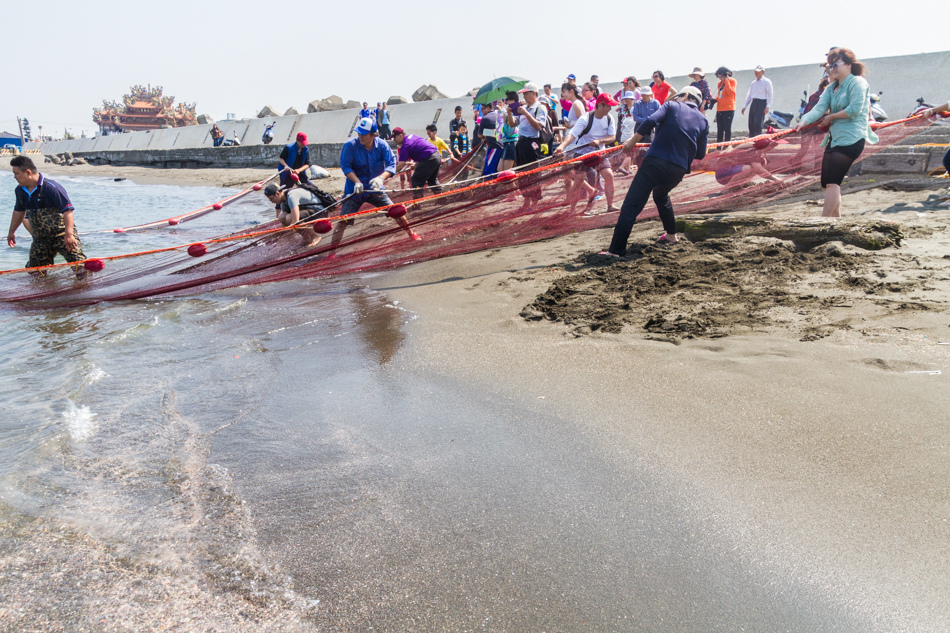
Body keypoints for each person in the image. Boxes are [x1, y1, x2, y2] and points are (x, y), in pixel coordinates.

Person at [603, 86, 709, 255]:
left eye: (678, 96)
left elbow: (650, 121)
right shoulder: (703, 121)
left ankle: (615, 250)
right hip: (678, 171)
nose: (675, 99)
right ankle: (672, 235)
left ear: (686, 96)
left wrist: (633, 140)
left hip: (655, 163)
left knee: (631, 206)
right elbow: (700, 154)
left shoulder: (672, 106)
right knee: (661, 194)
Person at [795, 48, 878, 218]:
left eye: (835, 64)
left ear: (848, 64)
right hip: (834, 139)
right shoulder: (831, 87)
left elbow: (854, 110)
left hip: (852, 138)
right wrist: (804, 120)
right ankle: (837, 221)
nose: (832, 68)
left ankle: (824, 222)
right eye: (830, 65)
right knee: (827, 185)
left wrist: (832, 116)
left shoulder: (858, 83)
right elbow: (819, 108)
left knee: (833, 183)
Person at [336, 117, 419, 246]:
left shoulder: (382, 145)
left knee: (396, 212)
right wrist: (357, 182)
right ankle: (331, 252)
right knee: (343, 222)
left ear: (373, 135)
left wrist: (381, 177)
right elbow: (346, 166)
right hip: (355, 190)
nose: (360, 137)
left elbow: (392, 164)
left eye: (364, 134)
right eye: (359, 133)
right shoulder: (350, 146)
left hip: (375, 189)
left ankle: (412, 234)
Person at [8, 155, 86, 269]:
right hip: (40, 239)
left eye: (16, 173)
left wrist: (69, 235)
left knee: (80, 266)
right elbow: (19, 212)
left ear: (28, 172)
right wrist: (11, 232)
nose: (15, 177)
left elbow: (68, 210)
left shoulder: (51, 187)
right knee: (35, 272)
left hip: (62, 235)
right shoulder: (20, 190)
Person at [554, 93, 620, 214]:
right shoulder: (585, 118)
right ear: (600, 105)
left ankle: (610, 205)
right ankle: (572, 210)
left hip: (599, 153)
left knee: (609, 175)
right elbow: (572, 135)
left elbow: (612, 137)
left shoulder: (609, 118)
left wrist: (600, 141)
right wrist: (561, 146)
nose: (610, 108)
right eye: (608, 106)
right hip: (582, 153)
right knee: (579, 180)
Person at [505, 82, 548, 206]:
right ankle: (526, 201)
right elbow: (513, 124)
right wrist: (509, 113)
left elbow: (539, 126)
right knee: (522, 173)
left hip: (532, 142)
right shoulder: (525, 107)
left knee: (533, 173)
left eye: (526, 93)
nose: (523, 96)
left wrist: (526, 113)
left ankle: (534, 201)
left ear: (533, 93)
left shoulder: (540, 107)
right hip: (522, 142)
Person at [262, 183, 326, 247]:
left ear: (277, 193)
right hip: (309, 212)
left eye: (271, 199)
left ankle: (314, 237)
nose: (271, 201)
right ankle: (306, 237)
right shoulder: (283, 200)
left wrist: (287, 233)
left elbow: (295, 221)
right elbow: (284, 222)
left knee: (289, 217)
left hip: (320, 212)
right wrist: (277, 236)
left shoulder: (291, 196)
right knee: (281, 217)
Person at [393, 127, 443, 199]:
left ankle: (417, 202)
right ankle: (442, 197)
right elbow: (421, 148)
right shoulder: (412, 136)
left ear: (400, 135)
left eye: (394, 137)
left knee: (416, 179)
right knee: (432, 179)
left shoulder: (405, 146)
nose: (394, 140)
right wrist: (416, 164)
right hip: (437, 155)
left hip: (429, 158)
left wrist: (390, 173)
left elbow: (400, 165)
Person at [741, 65, 773, 137]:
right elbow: (749, 95)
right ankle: (752, 138)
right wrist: (745, 106)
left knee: (758, 123)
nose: (756, 73)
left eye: (758, 72)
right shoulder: (753, 83)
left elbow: (770, 95)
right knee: (751, 122)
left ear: (762, 72)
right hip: (754, 103)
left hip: (761, 103)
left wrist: (768, 106)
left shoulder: (766, 82)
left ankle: (758, 139)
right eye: (755, 72)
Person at [477, 101, 504, 177]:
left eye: (482, 109)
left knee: (489, 171)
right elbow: (500, 132)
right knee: (499, 171)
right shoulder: (500, 115)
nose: (481, 111)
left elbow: (480, 135)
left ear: (488, 108)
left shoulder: (485, 119)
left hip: (494, 147)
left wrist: (486, 135)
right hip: (504, 146)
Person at [713, 67, 737, 142]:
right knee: (720, 129)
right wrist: (715, 100)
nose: (720, 79)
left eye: (721, 77)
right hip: (720, 108)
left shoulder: (732, 81)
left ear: (725, 75)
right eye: (718, 77)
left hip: (729, 108)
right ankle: (719, 146)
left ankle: (727, 145)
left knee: (727, 128)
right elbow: (720, 95)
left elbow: (730, 93)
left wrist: (727, 81)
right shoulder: (719, 83)